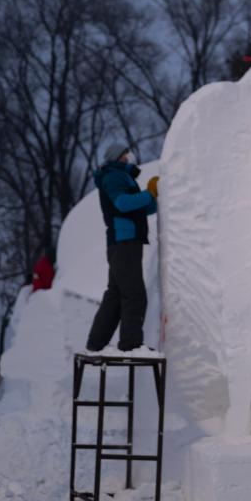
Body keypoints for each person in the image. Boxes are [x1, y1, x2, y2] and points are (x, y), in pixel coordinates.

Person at [85, 143, 159, 352]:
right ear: (118, 157)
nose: (130, 157)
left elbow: (142, 209)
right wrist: (148, 194)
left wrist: (154, 196)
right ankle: (131, 345)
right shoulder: (113, 176)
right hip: (124, 241)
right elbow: (123, 204)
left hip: (124, 242)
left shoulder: (122, 177)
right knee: (134, 295)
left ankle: (95, 344)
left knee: (116, 295)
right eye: (126, 154)